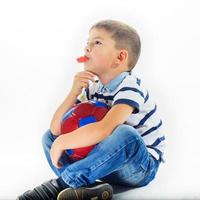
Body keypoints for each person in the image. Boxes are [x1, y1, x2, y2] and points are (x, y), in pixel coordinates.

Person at [17, 19, 165, 200]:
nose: (87, 48)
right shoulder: (93, 89)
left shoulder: (130, 87)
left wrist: (63, 142)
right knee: (48, 137)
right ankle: (88, 188)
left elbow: (105, 129)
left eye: (97, 43)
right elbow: (57, 129)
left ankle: (64, 183)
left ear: (120, 57)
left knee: (125, 134)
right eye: (87, 43)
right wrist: (73, 92)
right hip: (105, 165)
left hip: (138, 166)